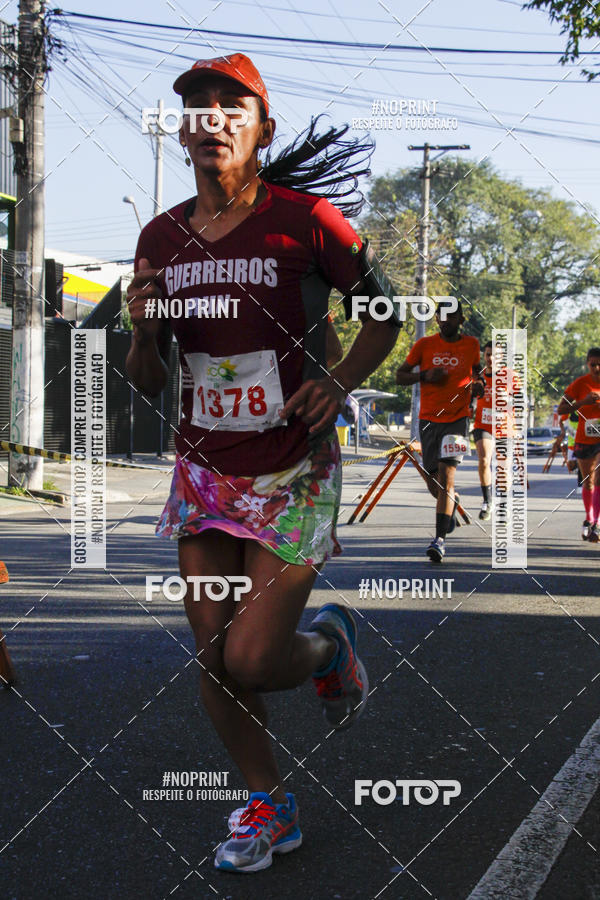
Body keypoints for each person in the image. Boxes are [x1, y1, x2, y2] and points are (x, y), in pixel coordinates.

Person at [125, 52, 400, 873]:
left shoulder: (309, 221)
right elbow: (148, 380)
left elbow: (383, 316)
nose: (212, 117)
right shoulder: (160, 237)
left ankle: (328, 645)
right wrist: (144, 333)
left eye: (230, 106)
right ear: (183, 134)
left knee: (252, 657)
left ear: (262, 130)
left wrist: (338, 379)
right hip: (205, 469)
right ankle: (267, 806)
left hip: (291, 468)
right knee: (213, 655)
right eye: (197, 107)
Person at [396, 303, 483, 562]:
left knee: (447, 479)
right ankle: (451, 502)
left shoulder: (471, 345)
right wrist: (425, 375)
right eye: (441, 316)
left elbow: (479, 374)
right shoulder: (424, 345)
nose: (445, 320)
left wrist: (478, 386)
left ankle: (439, 540)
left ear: (461, 319)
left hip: (457, 420)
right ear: (436, 319)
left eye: (451, 316)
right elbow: (400, 376)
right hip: (428, 420)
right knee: (437, 487)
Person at [557, 347, 600, 542]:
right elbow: (561, 408)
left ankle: (595, 523)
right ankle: (589, 519)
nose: (597, 368)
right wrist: (581, 402)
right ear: (587, 364)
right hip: (585, 438)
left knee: (599, 478)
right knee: (589, 481)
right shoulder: (580, 383)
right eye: (593, 364)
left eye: (599, 364)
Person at [472, 340, 493, 520]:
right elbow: (469, 394)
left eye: (495, 355)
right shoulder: (479, 376)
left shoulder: (511, 377)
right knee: (484, 459)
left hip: (504, 428)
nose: (491, 358)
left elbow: (521, 404)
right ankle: (487, 501)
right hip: (482, 425)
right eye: (488, 354)